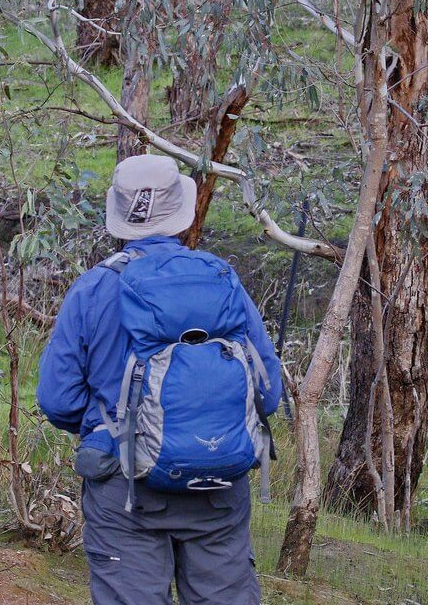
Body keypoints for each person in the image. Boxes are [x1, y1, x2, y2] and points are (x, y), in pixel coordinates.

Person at [37, 154, 281, 605]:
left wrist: (110, 427)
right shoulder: (222, 282)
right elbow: (268, 393)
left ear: (119, 216)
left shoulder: (92, 290)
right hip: (217, 486)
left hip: (124, 488)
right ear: (181, 212)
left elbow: (56, 399)